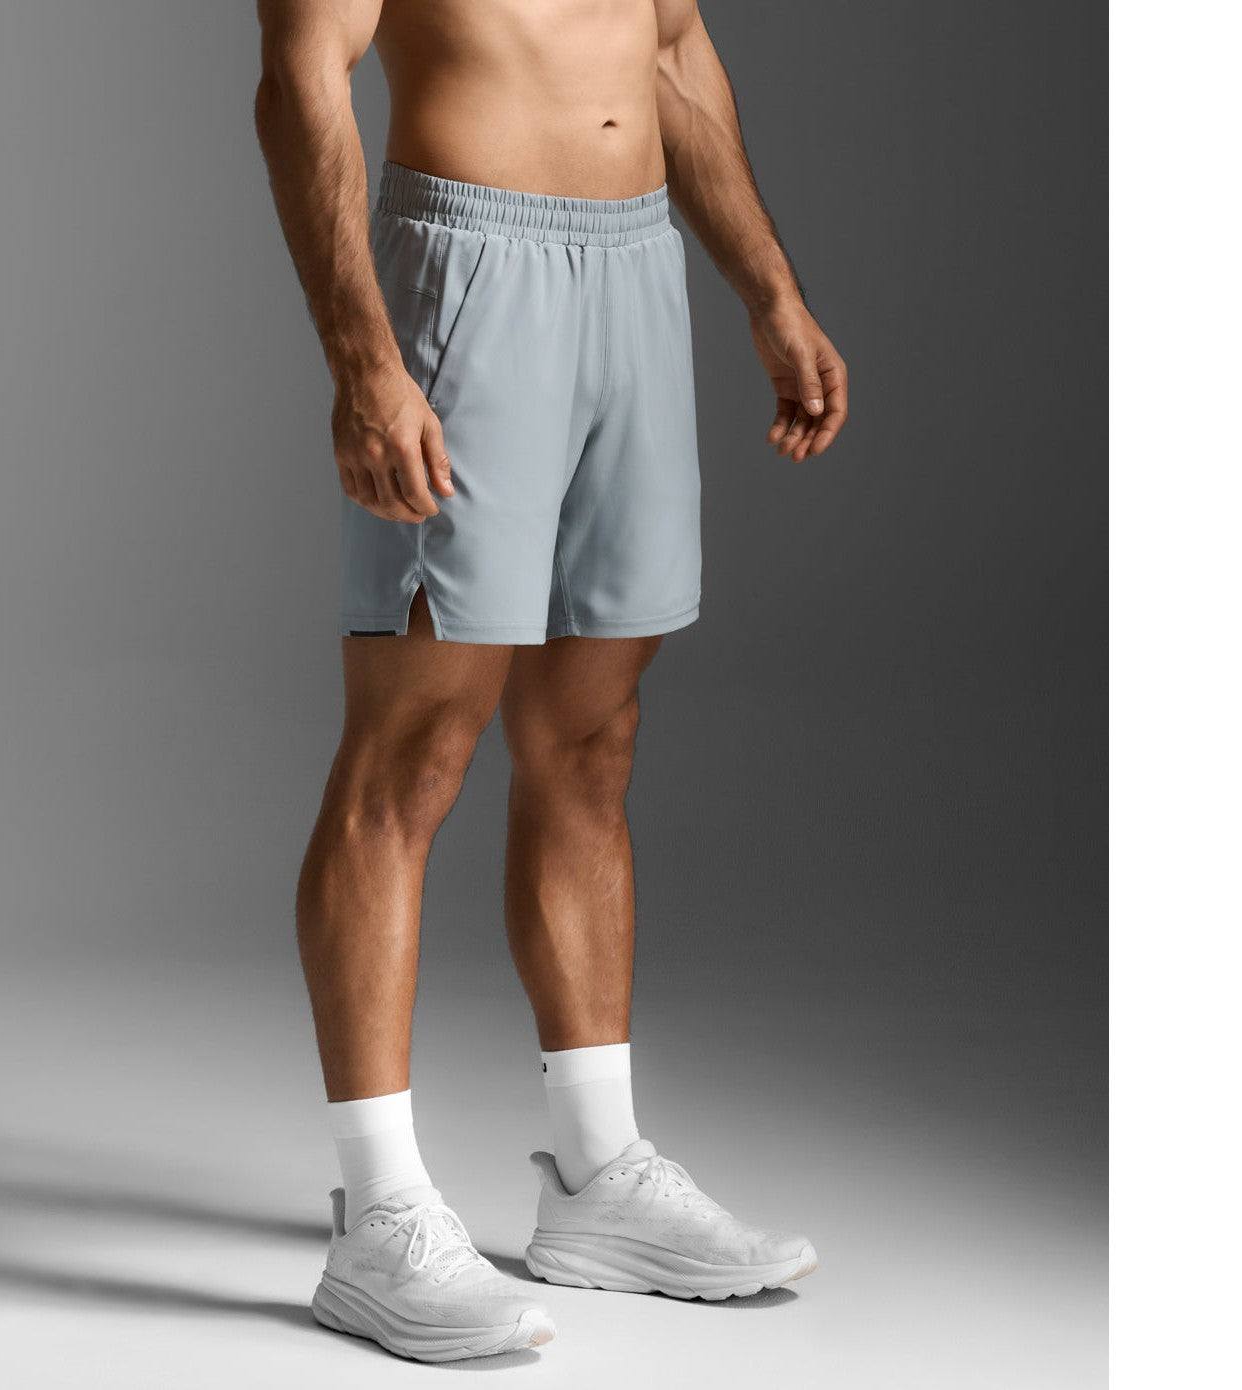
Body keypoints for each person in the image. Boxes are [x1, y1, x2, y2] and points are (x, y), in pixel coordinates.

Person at [253, 0, 849, 1363]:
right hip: (468, 268)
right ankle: (381, 1211)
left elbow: (672, 46)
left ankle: (596, 1172)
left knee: (592, 739)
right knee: (412, 754)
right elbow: (299, 77)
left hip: (635, 267)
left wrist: (768, 288)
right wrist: (362, 356)